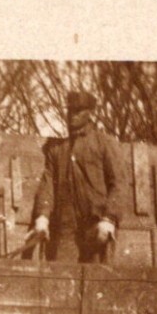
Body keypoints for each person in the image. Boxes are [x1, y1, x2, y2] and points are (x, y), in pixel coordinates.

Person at [31, 90, 123, 262]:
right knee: (62, 277)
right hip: (66, 228)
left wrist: (109, 218)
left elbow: (118, 183)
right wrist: (42, 217)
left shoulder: (103, 143)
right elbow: (47, 184)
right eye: (70, 110)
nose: (72, 115)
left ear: (90, 113)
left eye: (78, 111)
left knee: (98, 281)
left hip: (96, 225)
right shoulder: (57, 150)